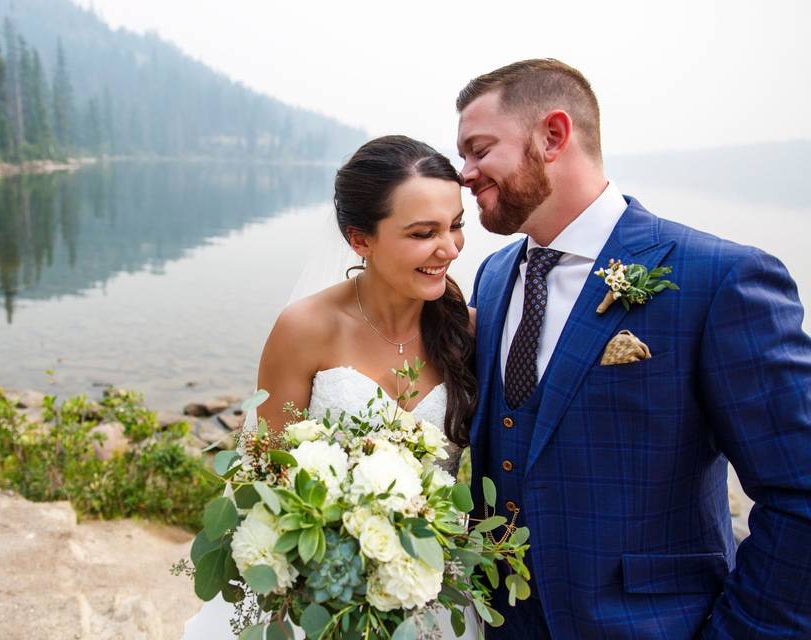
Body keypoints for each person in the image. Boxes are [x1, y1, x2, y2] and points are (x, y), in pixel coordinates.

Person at [458, 58, 811, 638]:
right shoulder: (495, 275)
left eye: (478, 148)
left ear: (553, 136)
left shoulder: (718, 277)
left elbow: (798, 495)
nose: (464, 173)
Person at [183, 135, 481, 639]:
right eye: (422, 233)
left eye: (455, 226)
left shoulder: (467, 331)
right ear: (359, 239)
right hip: (319, 596)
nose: (448, 248)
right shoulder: (305, 329)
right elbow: (263, 476)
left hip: (426, 590)